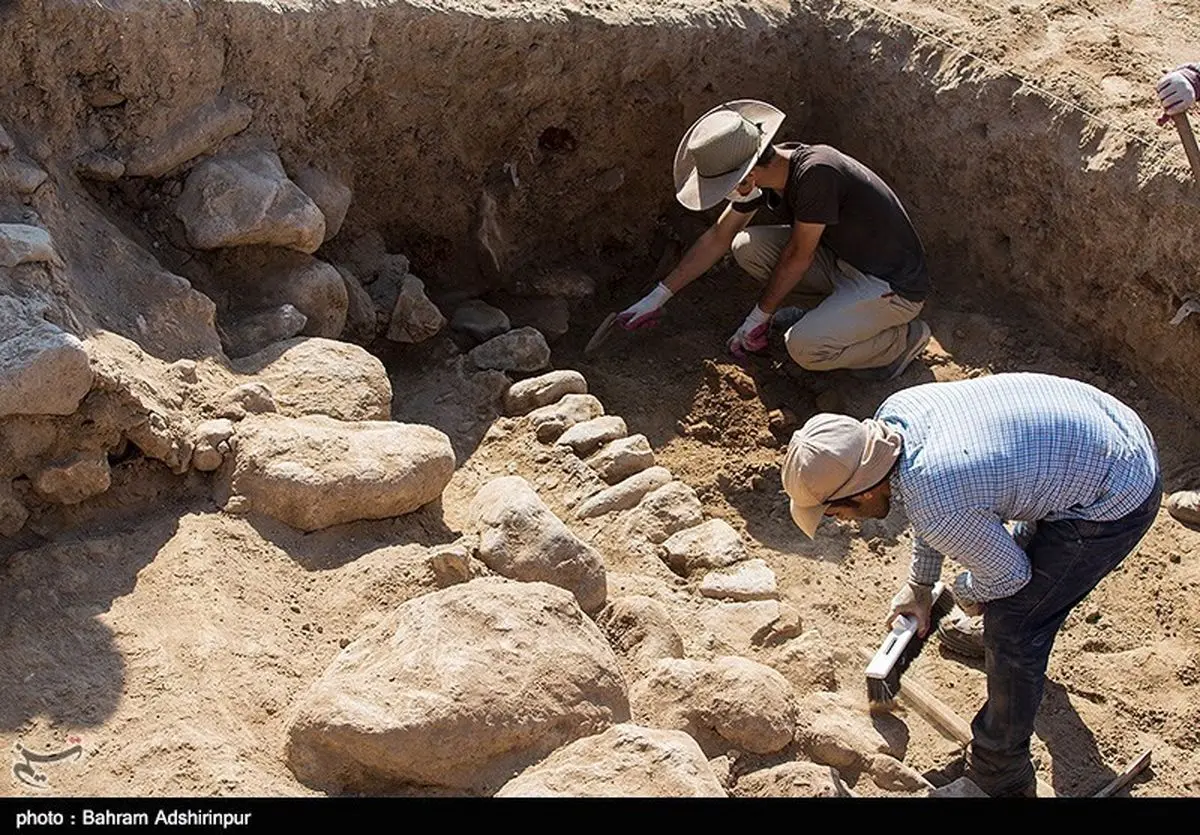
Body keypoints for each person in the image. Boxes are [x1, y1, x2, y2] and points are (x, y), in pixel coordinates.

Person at [779, 372, 1162, 797]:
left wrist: (964, 594)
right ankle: (996, 641)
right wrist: (920, 586)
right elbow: (933, 502)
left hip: (1117, 492)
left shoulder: (936, 500)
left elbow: (1007, 574)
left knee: (1015, 621)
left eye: (834, 512)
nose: (840, 521)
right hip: (1096, 435)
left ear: (863, 493)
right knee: (1005, 585)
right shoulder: (897, 416)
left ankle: (1000, 775)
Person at [616, 99, 932, 381]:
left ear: (747, 176)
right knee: (746, 246)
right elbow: (719, 237)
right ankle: (828, 313)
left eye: (725, 184)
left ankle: (901, 342)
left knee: (805, 348)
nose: (723, 193)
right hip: (844, 262)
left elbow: (798, 256)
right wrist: (656, 298)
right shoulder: (773, 172)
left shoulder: (817, 174)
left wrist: (758, 317)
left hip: (891, 286)